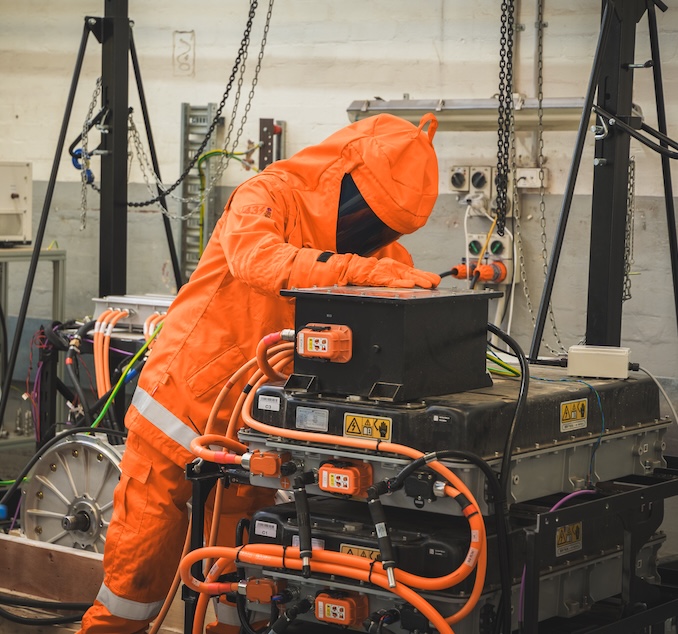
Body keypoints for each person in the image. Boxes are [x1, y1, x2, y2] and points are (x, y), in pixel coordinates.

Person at [78, 111, 441, 633]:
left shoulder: (373, 252)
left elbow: (391, 296)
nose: (367, 236)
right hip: (179, 410)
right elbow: (258, 260)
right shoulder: (268, 195)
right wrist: (359, 270)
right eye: (363, 216)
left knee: (239, 579)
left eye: (382, 229)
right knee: (138, 569)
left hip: (256, 435)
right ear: (339, 173)